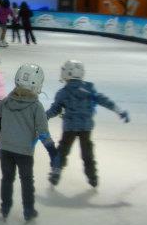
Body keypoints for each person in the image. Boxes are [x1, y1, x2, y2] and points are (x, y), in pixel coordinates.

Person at [0, 64, 61, 222]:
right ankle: (28, 209)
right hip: (24, 152)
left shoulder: (7, 101)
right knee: (26, 180)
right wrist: (52, 150)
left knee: (7, 178)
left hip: (5, 148)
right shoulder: (36, 107)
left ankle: (5, 207)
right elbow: (43, 132)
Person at [46, 60, 130, 188]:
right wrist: (119, 111)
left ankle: (56, 171)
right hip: (86, 127)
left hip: (70, 127)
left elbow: (54, 109)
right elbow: (104, 101)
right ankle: (93, 177)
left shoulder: (63, 92)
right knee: (87, 152)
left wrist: (42, 117)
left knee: (62, 150)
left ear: (68, 73)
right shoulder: (89, 89)